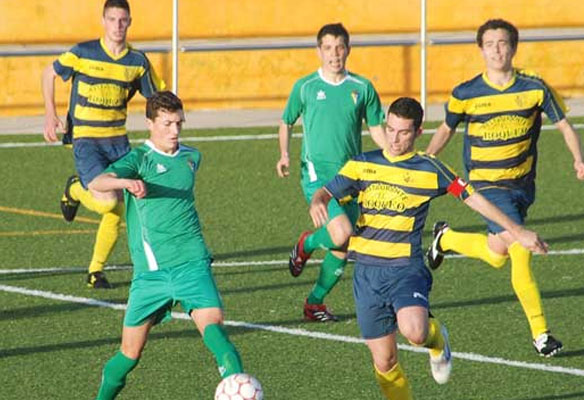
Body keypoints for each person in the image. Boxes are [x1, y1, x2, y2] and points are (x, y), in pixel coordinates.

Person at [309, 97, 549, 399]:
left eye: (404, 132)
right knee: (385, 361)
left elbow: (473, 198)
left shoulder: (430, 167)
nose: (395, 139)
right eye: (391, 130)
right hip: (367, 273)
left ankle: (438, 341)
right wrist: (319, 200)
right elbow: (327, 190)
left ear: (418, 132)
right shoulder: (362, 164)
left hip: (405, 270)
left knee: (416, 332)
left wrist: (516, 230)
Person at [425, 18, 584, 357]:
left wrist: (578, 159)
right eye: (490, 44)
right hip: (484, 187)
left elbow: (564, 124)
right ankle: (541, 334)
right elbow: (445, 129)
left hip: (521, 186)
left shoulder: (535, 87)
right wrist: (426, 159)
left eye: (503, 43)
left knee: (497, 252)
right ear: (481, 50)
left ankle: (447, 238)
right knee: (519, 248)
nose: (497, 49)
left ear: (513, 47)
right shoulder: (466, 93)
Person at [89, 91, 245, 399]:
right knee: (129, 354)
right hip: (151, 274)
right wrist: (126, 183)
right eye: (166, 124)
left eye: (178, 123)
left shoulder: (191, 158)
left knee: (217, 335)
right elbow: (97, 182)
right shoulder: (139, 159)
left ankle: (238, 389)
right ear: (149, 123)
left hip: (192, 263)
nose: (174, 131)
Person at [41, 0, 166, 289]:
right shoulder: (83, 52)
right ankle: (74, 188)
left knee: (118, 209)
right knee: (108, 198)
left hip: (117, 140)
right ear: (103, 21)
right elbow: (48, 73)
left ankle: (95, 270)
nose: (117, 26)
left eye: (123, 20)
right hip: (86, 139)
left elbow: (157, 98)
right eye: (112, 19)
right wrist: (51, 112)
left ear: (130, 22)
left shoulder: (137, 62)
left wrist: (165, 123)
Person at [276, 22, 387, 322]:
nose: (334, 54)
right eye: (328, 48)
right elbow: (286, 121)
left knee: (343, 244)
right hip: (316, 173)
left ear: (348, 49)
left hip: (351, 175)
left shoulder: (362, 87)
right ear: (319, 51)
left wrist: (393, 153)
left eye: (340, 47)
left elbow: (376, 128)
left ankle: (314, 303)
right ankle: (307, 243)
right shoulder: (306, 87)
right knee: (342, 232)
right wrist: (284, 154)